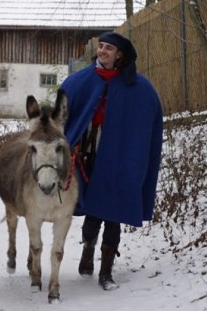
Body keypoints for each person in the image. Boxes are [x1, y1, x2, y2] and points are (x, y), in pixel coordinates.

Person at [59, 31, 163, 291]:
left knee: (114, 212)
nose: (103, 51)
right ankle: (87, 250)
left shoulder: (139, 88)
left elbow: (149, 124)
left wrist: (137, 156)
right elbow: (61, 117)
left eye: (109, 48)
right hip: (88, 156)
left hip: (121, 158)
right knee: (94, 210)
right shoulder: (79, 81)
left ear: (119, 55)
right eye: (101, 46)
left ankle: (106, 272)